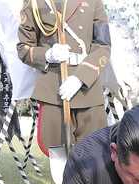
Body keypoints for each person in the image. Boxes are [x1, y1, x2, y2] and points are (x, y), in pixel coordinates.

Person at [17, 0, 111, 156]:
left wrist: (80, 78)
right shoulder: (35, 2)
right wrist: (48, 54)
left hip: (88, 86)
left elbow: (103, 45)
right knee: (58, 155)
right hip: (54, 88)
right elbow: (24, 48)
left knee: (94, 155)